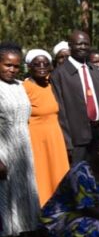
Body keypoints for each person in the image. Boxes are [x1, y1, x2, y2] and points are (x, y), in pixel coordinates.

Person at [49, 30, 99, 163]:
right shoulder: (59, 74)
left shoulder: (95, 71)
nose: (83, 47)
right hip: (77, 139)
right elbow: (60, 111)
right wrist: (67, 142)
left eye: (86, 44)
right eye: (79, 44)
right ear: (70, 46)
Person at [0, 43, 40, 237]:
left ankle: (23, 236)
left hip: (22, 147)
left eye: (16, 66)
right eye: (7, 65)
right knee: (4, 194)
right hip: (3, 148)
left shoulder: (19, 86)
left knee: (24, 191)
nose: (12, 70)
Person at [22, 50, 70, 207]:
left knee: (58, 173)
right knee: (41, 176)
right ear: (29, 67)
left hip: (55, 138)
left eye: (45, 64)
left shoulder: (53, 85)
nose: (42, 67)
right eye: (37, 64)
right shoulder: (24, 88)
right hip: (36, 140)